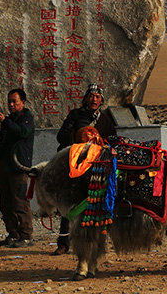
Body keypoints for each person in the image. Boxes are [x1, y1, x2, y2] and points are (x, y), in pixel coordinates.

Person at [52, 83, 117, 255]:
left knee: (96, 203)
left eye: (97, 97)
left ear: (101, 100)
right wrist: (80, 136)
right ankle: (63, 242)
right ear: (86, 97)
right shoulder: (75, 115)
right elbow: (61, 136)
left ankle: (93, 241)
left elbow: (113, 139)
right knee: (69, 202)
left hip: (96, 168)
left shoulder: (105, 119)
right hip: (76, 164)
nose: (94, 99)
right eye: (91, 96)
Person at [0, 88, 35, 247]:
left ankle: (26, 235)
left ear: (23, 102)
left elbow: (22, 132)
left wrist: (5, 121)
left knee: (20, 202)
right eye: (9, 102)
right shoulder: (8, 120)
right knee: (6, 203)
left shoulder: (26, 118)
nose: (11, 105)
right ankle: (13, 233)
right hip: (4, 166)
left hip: (18, 166)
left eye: (15, 101)